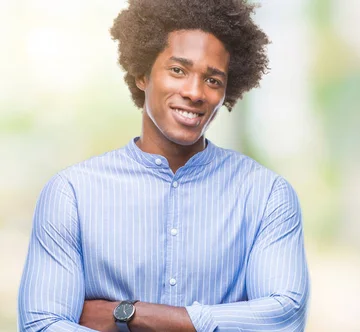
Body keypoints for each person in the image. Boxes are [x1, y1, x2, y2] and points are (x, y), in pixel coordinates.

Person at [17, 0, 310, 331]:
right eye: (178, 70)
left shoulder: (267, 196)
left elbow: (283, 316)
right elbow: (42, 324)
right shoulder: (72, 194)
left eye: (213, 80)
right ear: (142, 73)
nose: (195, 92)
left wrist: (130, 315)